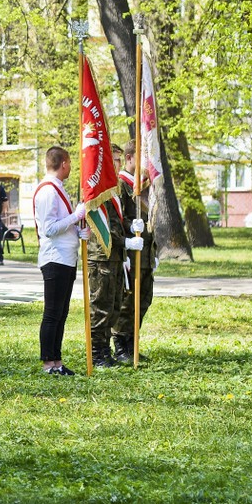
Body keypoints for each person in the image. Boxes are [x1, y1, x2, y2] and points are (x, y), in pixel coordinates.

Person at [33, 147, 88, 376]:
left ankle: (57, 360)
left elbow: (61, 224)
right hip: (55, 258)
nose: (71, 167)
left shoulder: (57, 188)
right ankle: (48, 362)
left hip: (66, 258)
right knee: (52, 313)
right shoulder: (48, 191)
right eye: (70, 163)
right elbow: (49, 228)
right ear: (63, 163)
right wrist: (76, 216)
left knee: (61, 313)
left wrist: (77, 231)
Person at [86, 144, 143, 367]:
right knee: (100, 307)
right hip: (102, 256)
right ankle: (97, 353)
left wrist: (131, 225)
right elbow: (105, 227)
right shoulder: (98, 189)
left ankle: (106, 350)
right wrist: (126, 241)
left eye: (119, 159)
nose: (118, 164)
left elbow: (118, 221)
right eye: (115, 160)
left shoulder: (114, 189)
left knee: (114, 306)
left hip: (116, 255)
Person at [113, 139, 156, 362]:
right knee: (128, 300)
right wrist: (130, 229)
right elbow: (118, 218)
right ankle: (121, 345)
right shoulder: (121, 185)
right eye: (142, 158)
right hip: (130, 251)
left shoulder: (143, 185)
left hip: (145, 251)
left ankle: (132, 342)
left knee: (144, 298)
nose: (146, 163)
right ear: (129, 158)